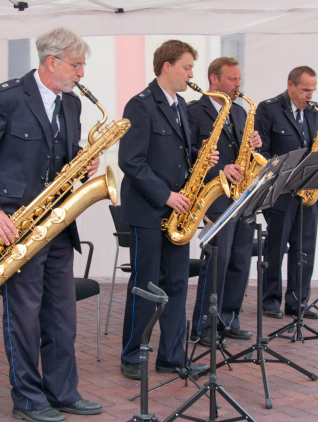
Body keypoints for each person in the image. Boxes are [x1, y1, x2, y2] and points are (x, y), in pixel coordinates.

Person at [0, 27, 103, 422]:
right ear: (51, 61)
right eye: (77, 65)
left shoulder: (71, 105)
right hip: (15, 227)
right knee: (23, 316)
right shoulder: (5, 98)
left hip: (56, 225)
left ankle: (62, 392)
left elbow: (58, 158)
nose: (81, 74)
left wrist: (83, 163)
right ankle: (27, 399)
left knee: (61, 314)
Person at [118, 39, 217, 380]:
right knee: (147, 284)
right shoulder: (140, 105)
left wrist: (202, 157)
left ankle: (171, 356)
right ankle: (132, 355)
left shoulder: (181, 106)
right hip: (149, 209)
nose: (192, 74)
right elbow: (130, 161)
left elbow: (181, 153)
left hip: (178, 212)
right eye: (187, 67)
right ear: (167, 67)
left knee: (175, 283)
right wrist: (166, 196)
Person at [188, 57, 262, 346]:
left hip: (241, 194)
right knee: (217, 261)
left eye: (238, 80)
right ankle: (204, 325)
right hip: (215, 196)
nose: (237, 85)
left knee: (240, 259)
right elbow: (189, 153)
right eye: (232, 80)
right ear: (214, 80)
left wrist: (256, 144)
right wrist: (219, 170)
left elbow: (244, 151)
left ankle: (229, 318)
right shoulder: (193, 111)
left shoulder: (241, 113)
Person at [255, 66, 318, 320]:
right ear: (291, 85)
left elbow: (315, 149)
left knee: (305, 248)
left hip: (307, 192)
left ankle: (298, 301)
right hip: (280, 193)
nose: (309, 96)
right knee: (276, 248)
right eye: (305, 90)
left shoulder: (315, 112)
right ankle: (271, 300)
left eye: (312, 91)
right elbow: (259, 152)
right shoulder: (269, 109)